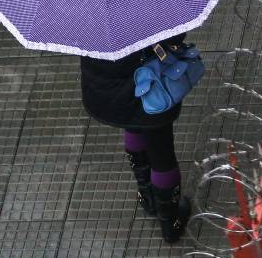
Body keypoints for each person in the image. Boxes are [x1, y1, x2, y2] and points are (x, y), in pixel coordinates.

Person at [80, 34, 192, 243]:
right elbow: (175, 35)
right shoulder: (144, 7)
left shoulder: (83, 11)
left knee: (132, 125)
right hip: (148, 89)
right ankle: (170, 221)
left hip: (103, 92)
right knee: (162, 153)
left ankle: (147, 197)